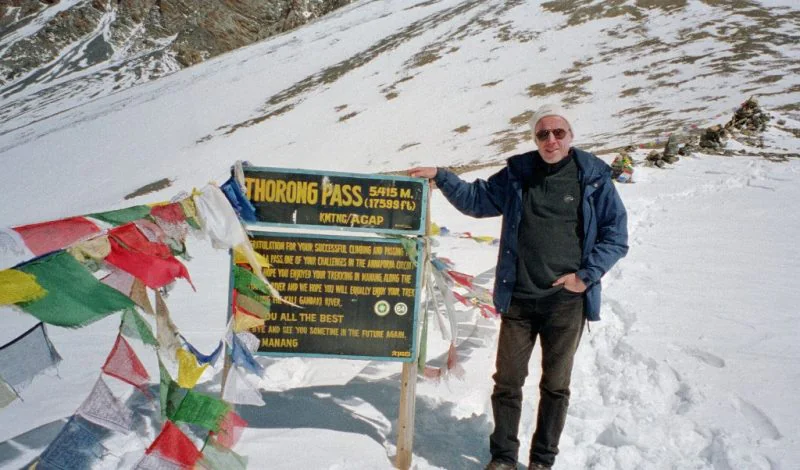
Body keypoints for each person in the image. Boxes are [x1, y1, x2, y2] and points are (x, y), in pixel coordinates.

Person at [408, 104, 628, 470]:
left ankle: (542, 461)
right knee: (507, 382)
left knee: (555, 386)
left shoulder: (591, 177)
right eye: (543, 134)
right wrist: (443, 176)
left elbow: (615, 236)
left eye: (558, 132)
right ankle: (503, 458)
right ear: (534, 139)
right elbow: (477, 200)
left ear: (570, 136)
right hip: (520, 299)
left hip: (566, 302)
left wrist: (584, 277)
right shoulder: (518, 173)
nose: (551, 139)